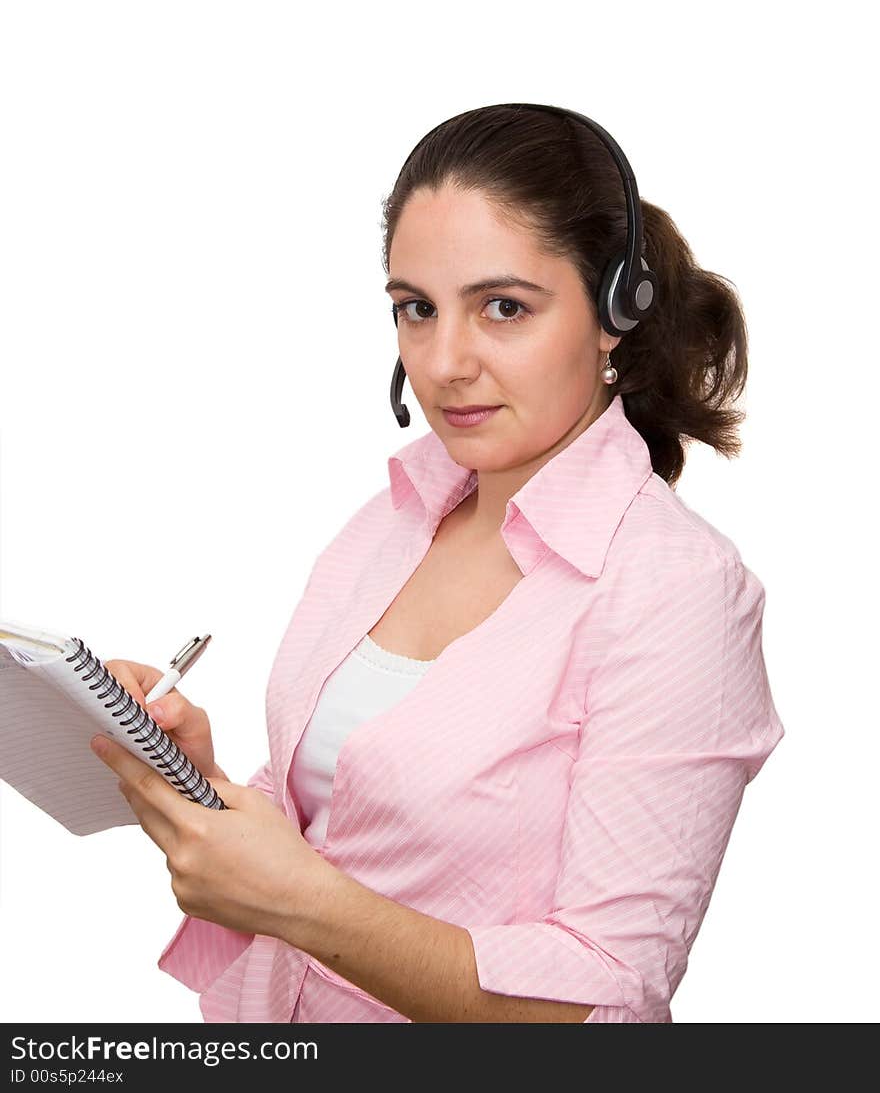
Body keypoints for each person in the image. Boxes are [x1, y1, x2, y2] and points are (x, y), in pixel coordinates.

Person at [92, 103, 785, 1023]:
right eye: (417, 309)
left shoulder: (675, 594)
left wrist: (298, 901)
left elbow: (605, 1006)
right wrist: (202, 786)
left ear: (616, 315)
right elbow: (350, 822)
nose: (443, 361)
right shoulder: (393, 518)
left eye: (504, 307)